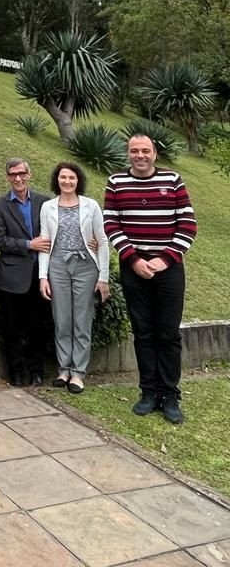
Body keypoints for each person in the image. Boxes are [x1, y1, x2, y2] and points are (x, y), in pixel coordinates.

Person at [104, 134, 197, 424]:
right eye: (134, 151)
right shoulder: (116, 183)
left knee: (167, 334)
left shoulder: (173, 180)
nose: (139, 155)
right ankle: (148, 392)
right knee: (143, 332)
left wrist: (163, 259)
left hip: (168, 270)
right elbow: (111, 223)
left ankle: (170, 395)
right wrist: (134, 259)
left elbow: (188, 225)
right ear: (128, 154)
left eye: (145, 150)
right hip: (134, 269)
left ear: (155, 154)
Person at [39, 162, 109, 394]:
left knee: (81, 320)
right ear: (56, 180)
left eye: (71, 178)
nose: (67, 181)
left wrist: (104, 277)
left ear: (78, 180)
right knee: (62, 320)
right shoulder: (48, 207)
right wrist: (43, 277)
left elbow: (102, 241)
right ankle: (64, 369)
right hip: (57, 266)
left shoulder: (91, 206)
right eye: (62, 177)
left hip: (86, 267)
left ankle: (78, 373)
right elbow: (45, 241)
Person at [0, 158, 51, 386]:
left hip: (40, 277)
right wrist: (28, 245)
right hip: (12, 277)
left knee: (37, 328)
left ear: (29, 174)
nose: (18, 178)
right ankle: (16, 372)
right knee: (12, 329)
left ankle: (36, 371)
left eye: (21, 173)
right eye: (13, 174)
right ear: (7, 177)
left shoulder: (45, 202)